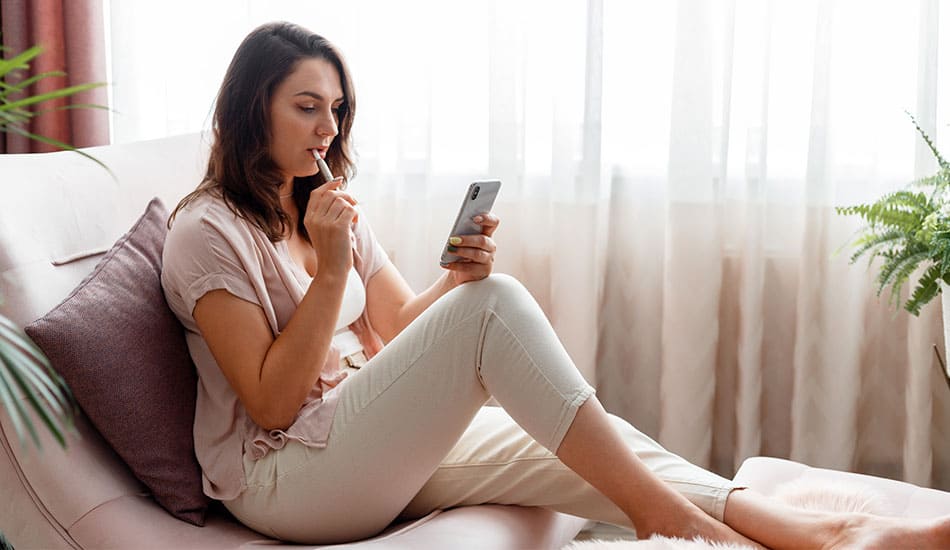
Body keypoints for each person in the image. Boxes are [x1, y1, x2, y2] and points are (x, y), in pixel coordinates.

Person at [161, 21, 950, 548]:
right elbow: (267, 401)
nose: (328, 128)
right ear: (250, 107)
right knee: (495, 311)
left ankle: (821, 536)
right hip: (283, 481)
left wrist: (455, 279)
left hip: (353, 439)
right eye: (306, 107)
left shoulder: (327, 209)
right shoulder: (207, 233)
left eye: (336, 109)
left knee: (593, 445)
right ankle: (665, 524)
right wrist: (334, 272)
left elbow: (399, 331)